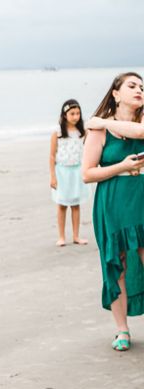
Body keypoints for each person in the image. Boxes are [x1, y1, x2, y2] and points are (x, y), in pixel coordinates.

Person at [82, 72, 144, 351]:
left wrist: (104, 119)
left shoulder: (136, 122)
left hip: (141, 196)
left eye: (142, 87)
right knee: (117, 263)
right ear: (115, 93)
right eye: (132, 86)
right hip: (114, 202)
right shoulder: (98, 131)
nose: (139, 90)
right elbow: (87, 174)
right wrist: (122, 166)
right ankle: (122, 330)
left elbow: (140, 134)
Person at [49, 100, 89, 246]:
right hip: (62, 172)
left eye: (78, 113)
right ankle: (61, 236)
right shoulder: (58, 132)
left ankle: (76, 236)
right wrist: (53, 176)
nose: (75, 116)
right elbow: (52, 156)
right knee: (62, 204)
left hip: (77, 171)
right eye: (72, 113)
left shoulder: (82, 132)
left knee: (75, 204)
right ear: (65, 115)